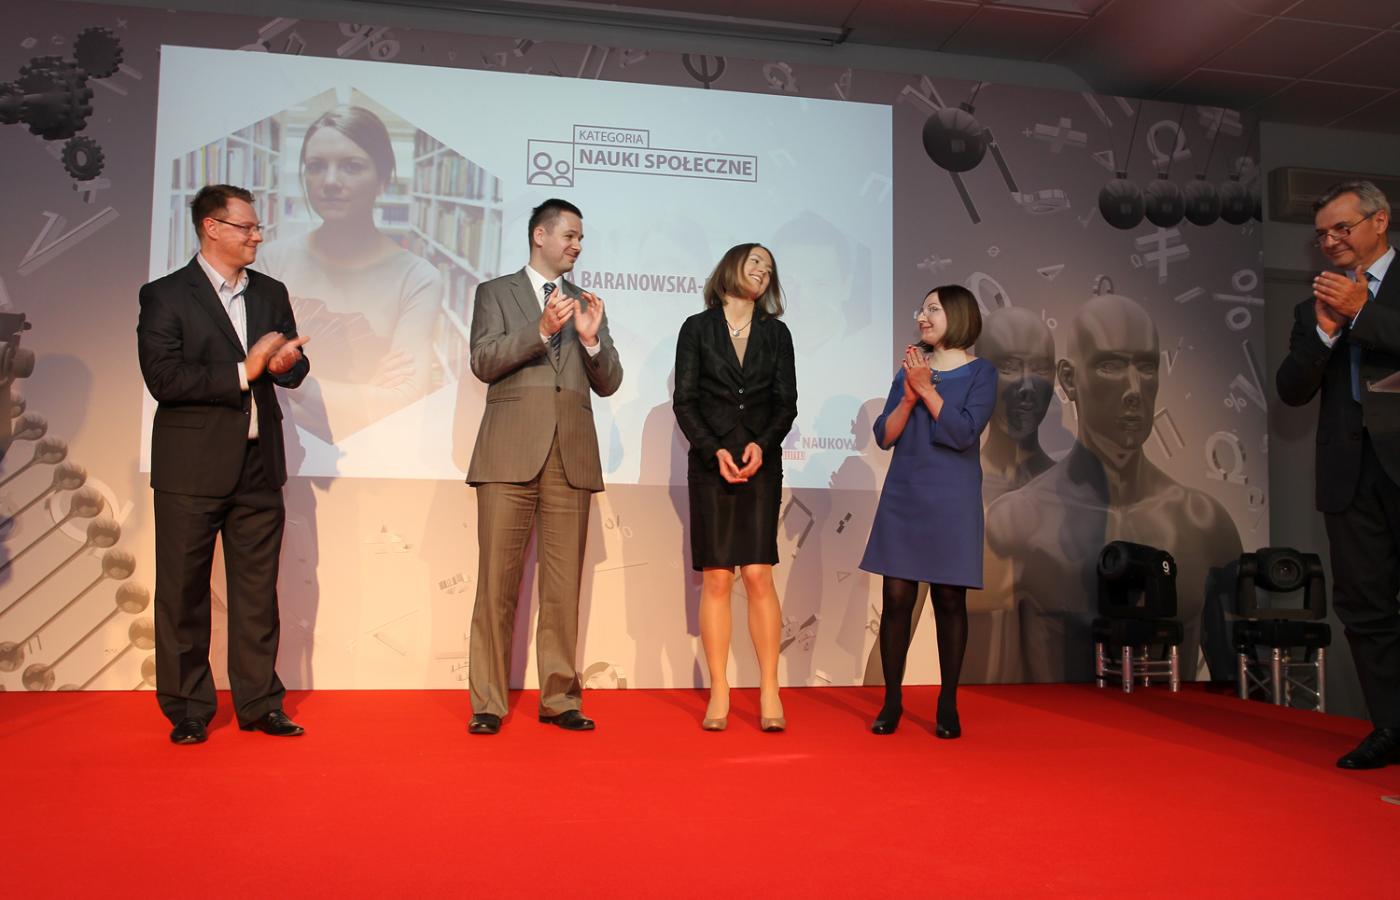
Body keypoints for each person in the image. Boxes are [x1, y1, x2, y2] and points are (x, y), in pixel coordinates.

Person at [985, 293, 1241, 683]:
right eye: (1111, 366)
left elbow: (1241, 693)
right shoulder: (1014, 525)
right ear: (1069, 379)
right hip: (1063, 723)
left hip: (1173, 722)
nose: (1134, 389)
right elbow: (987, 695)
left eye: (1146, 367)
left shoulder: (1204, 525)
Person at [137, 184, 310, 744]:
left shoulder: (271, 292)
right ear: (212, 227)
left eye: (258, 228)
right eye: (247, 227)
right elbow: (164, 379)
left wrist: (285, 366)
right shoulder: (165, 295)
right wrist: (244, 371)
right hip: (191, 469)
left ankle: (260, 703)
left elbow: (293, 368)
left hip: (259, 464)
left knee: (257, 594)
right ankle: (188, 708)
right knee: (183, 594)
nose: (257, 236)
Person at [464, 199, 622, 735]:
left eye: (581, 238)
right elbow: (483, 361)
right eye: (570, 235)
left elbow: (610, 381)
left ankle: (559, 698)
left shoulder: (586, 303)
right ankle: (488, 702)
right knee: (496, 585)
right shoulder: (495, 293)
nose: (577, 245)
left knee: (562, 588)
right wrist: (538, 330)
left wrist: (592, 340)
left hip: (570, 454)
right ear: (540, 235)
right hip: (508, 453)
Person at [1277, 179, 1400, 770]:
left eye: (1341, 229)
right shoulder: (1314, 307)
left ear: (1380, 221)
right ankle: (1391, 728)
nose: (1330, 241)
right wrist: (1326, 332)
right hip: (1349, 474)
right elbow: (1291, 389)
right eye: (1321, 234)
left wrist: (1363, 314)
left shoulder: (1368, 297)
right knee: (1365, 605)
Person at [257, 105, 442, 444]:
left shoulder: (417, 278)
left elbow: (403, 401)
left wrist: (289, 383)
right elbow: (245, 377)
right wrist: (364, 393)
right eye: (316, 166)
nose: (330, 182)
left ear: (383, 178)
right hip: (278, 452)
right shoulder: (271, 261)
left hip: (368, 455)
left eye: (352, 166)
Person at [859, 285, 995, 737]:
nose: (922, 316)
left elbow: (963, 433)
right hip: (905, 494)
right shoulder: (913, 368)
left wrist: (926, 390)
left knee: (949, 600)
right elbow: (885, 435)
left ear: (958, 315)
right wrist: (909, 395)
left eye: (933, 309)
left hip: (953, 500)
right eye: (922, 309)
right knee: (896, 599)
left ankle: (947, 701)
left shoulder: (981, 372)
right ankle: (892, 700)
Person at [673, 243, 798, 732]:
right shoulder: (696, 328)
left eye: (769, 267)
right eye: (755, 262)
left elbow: (785, 404)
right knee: (718, 577)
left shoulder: (777, 333)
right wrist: (715, 451)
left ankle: (769, 687)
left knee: (759, 574)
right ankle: (720, 688)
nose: (763, 270)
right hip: (712, 464)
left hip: (761, 464)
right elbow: (686, 401)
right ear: (731, 267)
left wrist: (761, 446)